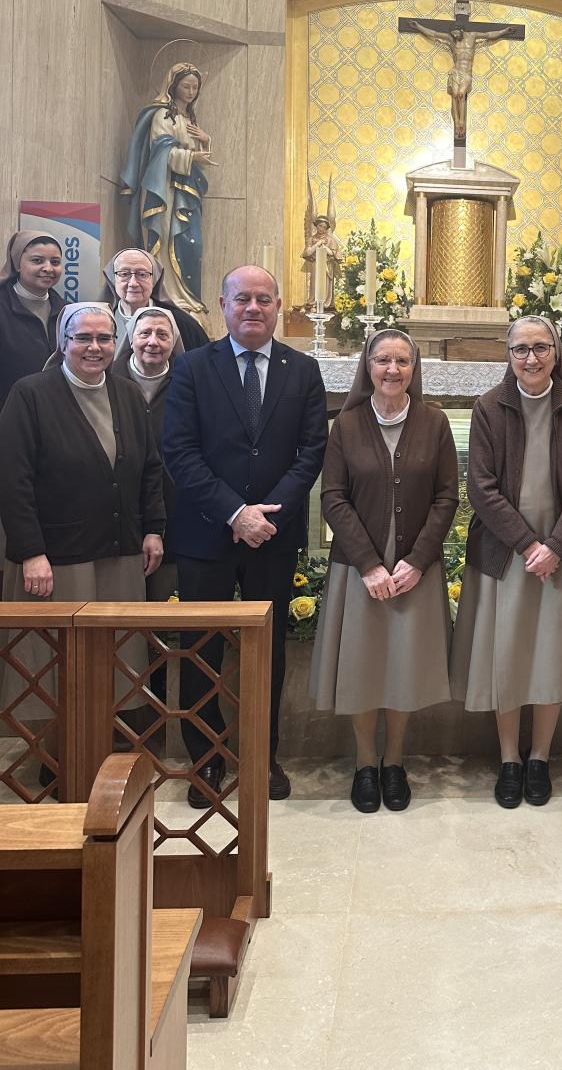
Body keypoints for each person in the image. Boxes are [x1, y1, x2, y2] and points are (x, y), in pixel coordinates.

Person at [162, 265, 328, 804]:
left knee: (267, 652)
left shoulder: (303, 370)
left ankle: (262, 754)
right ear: (223, 305)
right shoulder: (191, 367)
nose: (253, 308)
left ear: (277, 305)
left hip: (273, 537)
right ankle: (206, 758)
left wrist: (266, 515)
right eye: (242, 299)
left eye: (263, 298)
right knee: (201, 651)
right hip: (206, 534)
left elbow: (311, 451)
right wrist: (236, 513)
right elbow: (179, 451)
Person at [449, 316, 562, 808]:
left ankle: (540, 756)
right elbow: (481, 487)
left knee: (550, 653)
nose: (531, 358)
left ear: (556, 353)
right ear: (508, 354)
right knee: (509, 654)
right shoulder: (488, 407)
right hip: (507, 554)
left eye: (541, 348)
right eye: (521, 349)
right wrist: (527, 544)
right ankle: (509, 758)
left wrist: (555, 546)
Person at [311, 330, 458, 812]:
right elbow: (333, 497)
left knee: (402, 666)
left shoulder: (434, 422)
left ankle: (394, 762)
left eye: (402, 361)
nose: (392, 370)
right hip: (360, 570)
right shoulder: (347, 424)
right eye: (382, 360)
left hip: (415, 569)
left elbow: (447, 497)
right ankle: (364, 763)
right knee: (363, 666)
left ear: (414, 369)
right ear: (368, 367)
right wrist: (369, 565)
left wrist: (417, 561)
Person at [0, 302, 165, 603]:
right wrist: (31, 552)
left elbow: (151, 468)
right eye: (83, 338)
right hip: (54, 558)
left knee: (117, 633)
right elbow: (12, 482)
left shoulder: (130, 394)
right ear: (63, 343)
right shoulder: (29, 395)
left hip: (122, 552)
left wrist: (153, 530)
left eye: (104, 338)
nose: (95, 347)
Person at [118, 62, 211, 319]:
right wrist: (191, 157)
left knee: (190, 243)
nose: (190, 92)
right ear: (173, 85)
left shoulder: (189, 119)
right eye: (186, 86)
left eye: (195, 87)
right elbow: (161, 150)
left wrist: (205, 141)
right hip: (164, 190)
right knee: (167, 238)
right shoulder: (162, 115)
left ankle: (186, 298)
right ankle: (166, 294)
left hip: (186, 190)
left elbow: (199, 156)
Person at [111, 306, 184, 602]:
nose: (153, 342)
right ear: (131, 339)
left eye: (162, 335)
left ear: (173, 342)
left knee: (165, 600)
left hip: (173, 506)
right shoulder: (106, 378)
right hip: (118, 507)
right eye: (145, 333)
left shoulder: (188, 382)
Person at [0, 231, 65, 411]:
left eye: (55, 262)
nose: (48, 268)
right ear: (17, 264)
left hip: (56, 413)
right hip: (9, 414)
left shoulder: (67, 311)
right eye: (37, 261)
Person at [101, 247, 209, 351]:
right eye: (124, 274)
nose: (133, 283)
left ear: (155, 279)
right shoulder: (99, 321)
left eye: (142, 274)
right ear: (113, 279)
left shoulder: (183, 324)